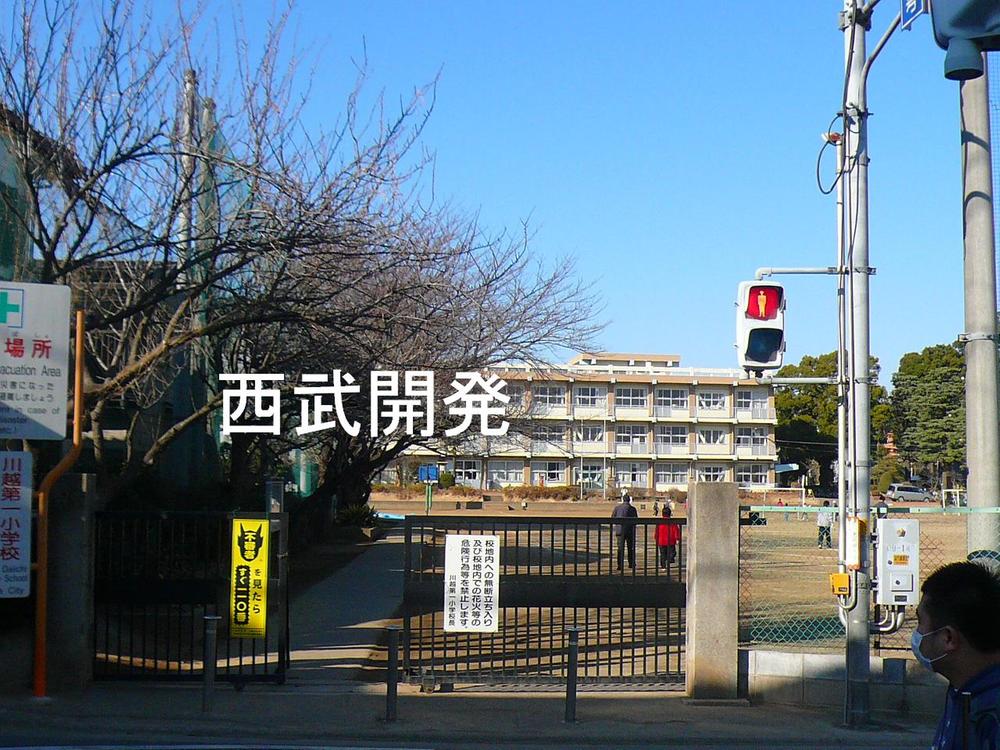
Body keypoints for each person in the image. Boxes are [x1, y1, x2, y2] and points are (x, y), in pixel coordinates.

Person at [915, 561, 1000, 749]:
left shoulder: (990, 714)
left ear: (948, 638)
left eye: (920, 622)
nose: (916, 633)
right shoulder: (961, 689)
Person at [611, 488, 638, 571]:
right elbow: (636, 519)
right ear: (629, 500)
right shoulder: (632, 509)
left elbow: (612, 517)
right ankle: (631, 563)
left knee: (620, 548)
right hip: (630, 530)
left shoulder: (617, 508)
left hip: (619, 530)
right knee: (631, 548)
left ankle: (620, 564)